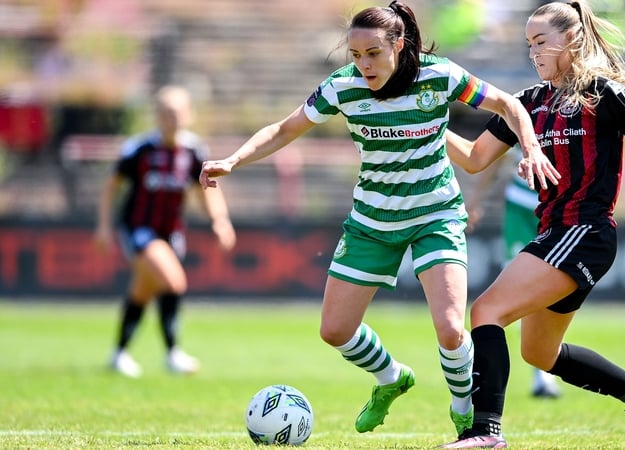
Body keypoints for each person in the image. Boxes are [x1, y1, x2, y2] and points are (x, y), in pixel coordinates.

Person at [198, 1, 557, 437]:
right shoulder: (343, 86)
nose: (362, 64)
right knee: (334, 331)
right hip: (372, 220)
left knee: (449, 328)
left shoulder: (438, 75)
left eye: (372, 53)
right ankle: (391, 378)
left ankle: (464, 408)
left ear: (399, 45)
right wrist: (233, 160)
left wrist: (534, 149)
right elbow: (283, 129)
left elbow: (507, 104)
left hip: (434, 215)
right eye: (355, 55)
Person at [442, 1, 625, 448]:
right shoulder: (527, 102)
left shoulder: (602, 94)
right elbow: (474, 159)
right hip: (554, 232)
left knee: (486, 312)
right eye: (528, 44)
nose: (533, 52)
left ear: (571, 40)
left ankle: (485, 432)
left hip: (585, 232)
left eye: (541, 42)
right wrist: (427, 122)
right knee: (538, 353)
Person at [94, 85, 236, 378]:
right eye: (166, 113)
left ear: (189, 115)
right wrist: (104, 227)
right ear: (157, 116)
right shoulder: (140, 150)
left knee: (143, 290)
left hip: (171, 232)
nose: (172, 119)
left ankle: (119, 353)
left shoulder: (194, 151)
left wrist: (220, 220)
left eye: (178, 112)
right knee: (173, 282)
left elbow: (206, 188)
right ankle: (173, 354)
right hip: (138, 229)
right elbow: (112, 187)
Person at [463, 145, 561, 399]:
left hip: (557, 209)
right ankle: (538, 375)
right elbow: (495, 157)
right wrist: (475, 200)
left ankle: (542, 370)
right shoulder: (519, 107)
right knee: (517, 285)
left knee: (547, 288)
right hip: (521, 207)